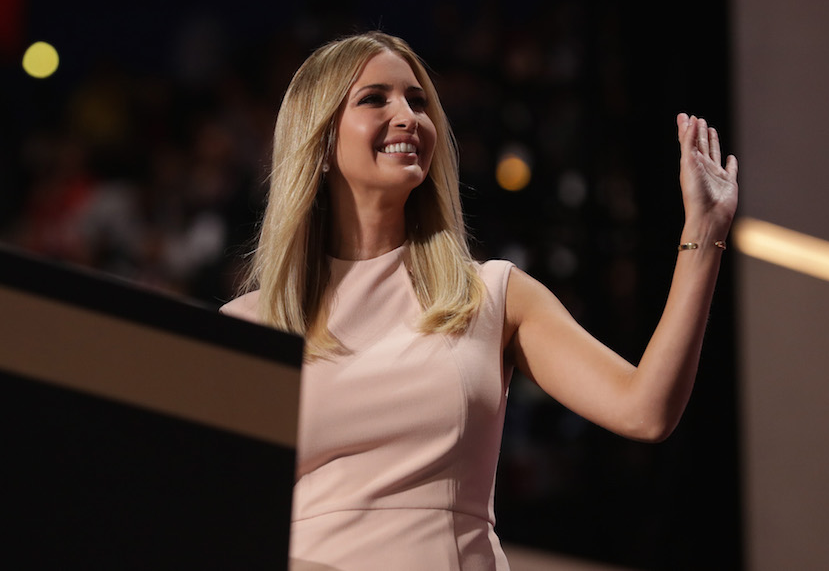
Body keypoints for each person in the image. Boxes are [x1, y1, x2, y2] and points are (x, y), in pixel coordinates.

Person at [221, 31, 738, 571]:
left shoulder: (491, 296)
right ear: (320, 141)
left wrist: (704, 231)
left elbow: (645, 410)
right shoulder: (249, 327)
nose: (408, 117)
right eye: (375, 99)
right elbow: (213, 518)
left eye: (417, 101)